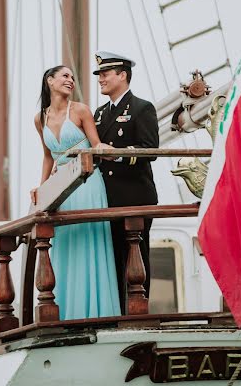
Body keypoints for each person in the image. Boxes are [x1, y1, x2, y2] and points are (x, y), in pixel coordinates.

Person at [32, 65, 121, 320]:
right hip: (61, 188)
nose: (70, 80)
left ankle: (98, 313)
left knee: (89, 241)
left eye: (72, 77)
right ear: (50, 81)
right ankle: (69, 314)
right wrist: (41, 187)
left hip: (87, 184)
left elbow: (95, 145)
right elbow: (49, 156)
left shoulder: (81, 110)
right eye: (65, 76)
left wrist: (105, 148)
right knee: (67, 244)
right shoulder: (40, 118)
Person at [93, 51, 159, 313]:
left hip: (134, 196)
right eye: (99, 75)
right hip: (107, 199)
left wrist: (116, 153)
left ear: (122, 75)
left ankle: (137, 312)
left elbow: (149, 150)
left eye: (105, 74)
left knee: (137, 258)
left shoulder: (142, 108)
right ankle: (116, 312)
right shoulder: (99, 114)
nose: (101, 80)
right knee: (113, 259)